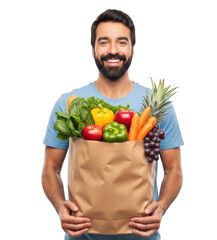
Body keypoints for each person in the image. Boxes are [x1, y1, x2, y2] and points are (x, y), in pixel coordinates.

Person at [42, 9, 184, 240]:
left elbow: (174, 170)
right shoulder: (69, 103)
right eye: (104, 42)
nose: (113, 50)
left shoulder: (156, 106)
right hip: (82, 236)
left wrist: (162, 206)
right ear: (93, 49)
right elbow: (50, 169)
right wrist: (59, 206)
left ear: (132, 49)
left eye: (122, 42)